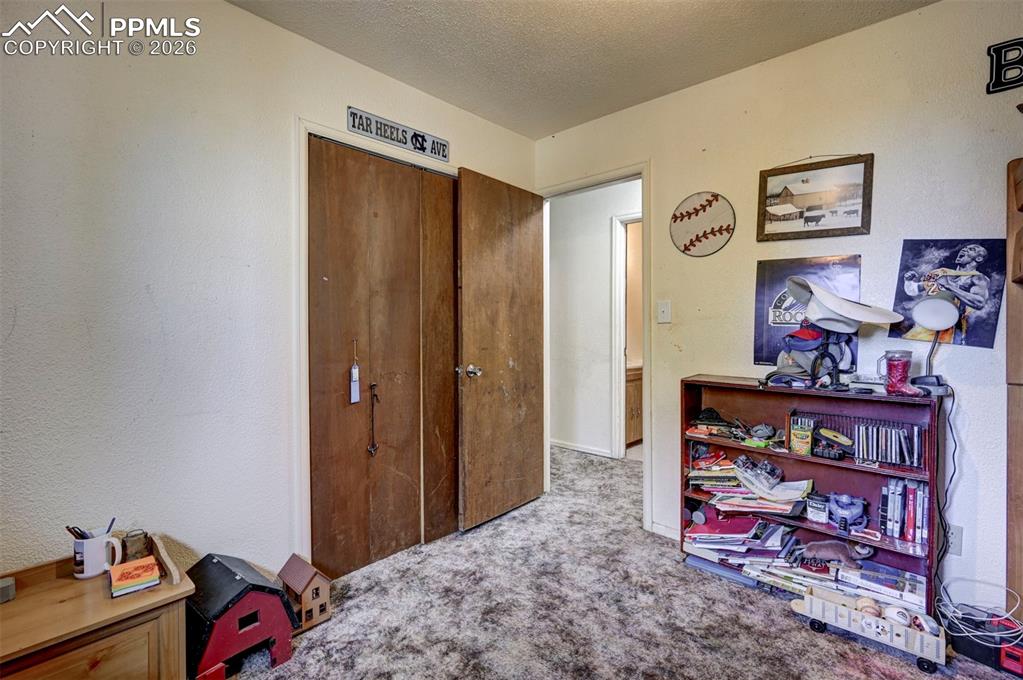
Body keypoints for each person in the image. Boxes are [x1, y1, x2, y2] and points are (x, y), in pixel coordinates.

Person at [902, 243, 991, 344]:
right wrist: (908, 281)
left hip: (951, 331)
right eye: (965, 248)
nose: (964, 250)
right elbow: (914, 290)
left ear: (978, 258)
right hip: (924, 327)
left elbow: (979, 303)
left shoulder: (978, 278)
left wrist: (949, 286)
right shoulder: (942, 273)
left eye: (971, 249)